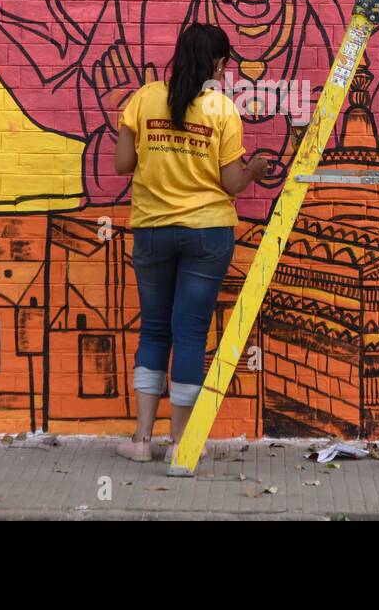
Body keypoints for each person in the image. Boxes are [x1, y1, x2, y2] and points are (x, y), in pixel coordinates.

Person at [113, 23, 269, 465]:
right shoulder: (222, 109)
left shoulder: (142, 100)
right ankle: (180, 445)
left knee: (154, 330)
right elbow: (231, 183)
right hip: (207, 233)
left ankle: (142, 442)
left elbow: (123, 164)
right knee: (191, 334)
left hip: (152, 230)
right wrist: (254, 168)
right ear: (218, 63)